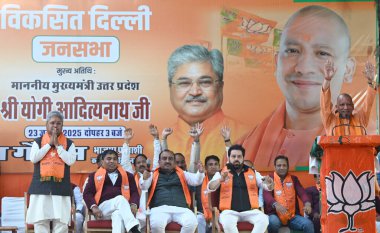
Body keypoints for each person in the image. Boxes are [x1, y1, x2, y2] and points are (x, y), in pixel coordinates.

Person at [238, 5, 358, 170]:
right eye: (293, 51)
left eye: (322, 53)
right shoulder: (242, 149)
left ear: (348, 69)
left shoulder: (365, 142)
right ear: (276, 62)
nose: (303, 67)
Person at [144, 44, 250, 165]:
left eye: (205, 82)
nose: (195, 92)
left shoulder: (245, 136)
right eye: (184, 83)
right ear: (170, 88)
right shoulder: (151, 148)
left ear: (220, 87)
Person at [26, 111, 76, 233]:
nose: (55, 126)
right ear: (46, 125)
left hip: (61, 188)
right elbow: (34, 158)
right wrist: (49, 144)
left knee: (61, 223)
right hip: (40, 188)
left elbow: (70, 161)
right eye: (52, 123)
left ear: (62, 126)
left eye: (59, 123)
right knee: (40, 221)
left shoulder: (69, 143)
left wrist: (58, 146)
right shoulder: (38, 141)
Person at [208, 144, 273, 233]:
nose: (236, 159)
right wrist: (221, 180)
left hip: (250, 211)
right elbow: (210, 187)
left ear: (243, 158)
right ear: (229, 158)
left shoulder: (253, 172)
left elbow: (265, 185)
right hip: (229, 212)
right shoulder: (221, 172)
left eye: (239, 156)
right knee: (227, 222)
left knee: (264, 219)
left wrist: (269, 184)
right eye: (233, 156)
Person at [141, 149, 205, 233]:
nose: (167, 161)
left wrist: (200, 172)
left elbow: (196, 181)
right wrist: (145, 178)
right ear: (159, 162)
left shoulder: (182, 173)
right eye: (164, 158)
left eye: (170, 159)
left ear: (174, 162)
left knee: (192, 223)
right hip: (159, 209)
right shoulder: (152, 174)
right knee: (156, 225)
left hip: (182, 209)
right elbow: (144, 187)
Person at [83, 150, 141, 233]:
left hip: (122, 209)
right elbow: (87, 193)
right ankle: (134, 228)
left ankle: (132, 227)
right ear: (102, 161)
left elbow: (134, 192)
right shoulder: (94, 175)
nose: (112, 161)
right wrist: (94, 207)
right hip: (103, 209)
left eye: (114, 159)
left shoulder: (128, 176)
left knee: (118, 216)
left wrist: (133, 204)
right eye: (109, 159)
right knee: (120, 199)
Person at [321, 60, 376, 136]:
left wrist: (371, 81)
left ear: (353, 106)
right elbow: (325, 103)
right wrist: (327, 79)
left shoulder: (360, 119)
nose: (346, 107)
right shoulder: (330, 121)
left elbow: (369, 102)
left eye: (348, 104)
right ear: (337, 107)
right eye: (342, 105)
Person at [264, 155, 314, 233]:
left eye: (284, 165)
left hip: (292, 216)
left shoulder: (294, 179)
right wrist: (276, 204)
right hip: (275, 215)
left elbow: (302, 193)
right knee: (273, 222)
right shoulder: (269, 178)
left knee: (308, 224)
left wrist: (307, 204)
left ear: (288, 167)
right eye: (279, 165)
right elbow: (266, 195)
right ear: (274, 167)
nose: (282, 167)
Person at [195, 155, 220, 233]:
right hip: (202, 214)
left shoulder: (223, 180)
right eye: (210, 164)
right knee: (198, 220)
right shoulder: (199, 180)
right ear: (205, 167)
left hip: (218, 213)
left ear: (219, 166)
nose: (213, 166)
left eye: (216, 164)